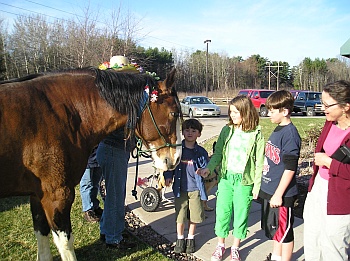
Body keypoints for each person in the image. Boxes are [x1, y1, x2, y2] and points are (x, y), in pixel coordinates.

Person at [198, 95, 265, 261]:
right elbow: (218, 153)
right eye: (231, 112)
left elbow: (259, 162)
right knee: (222, 213)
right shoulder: (227, 130)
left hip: (244, 182)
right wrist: (209, 168)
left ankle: (235, 247)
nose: (232, 115)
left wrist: (257, 186)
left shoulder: (256, 133)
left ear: (245, 112)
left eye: (235, 112)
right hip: (226, 179)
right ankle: (220, 245)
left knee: (241, 215)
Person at [303, 80, 350, 260]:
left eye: (327, 105)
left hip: (340, 198)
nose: (323, 108)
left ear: (345, 106)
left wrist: (330, 163)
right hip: (319, 189)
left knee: (333, 247)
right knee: (313, 239)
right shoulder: (330, 123)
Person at [259, 90, 301, 261]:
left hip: (282, 194)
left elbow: (290, 167)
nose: (268, 113)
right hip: (270, 189)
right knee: (276, 228)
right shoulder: (278, 129)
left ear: (285, 111)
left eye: (272, 111)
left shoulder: (290, 134)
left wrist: (278, 194)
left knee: (285, 231)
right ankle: (276, 257)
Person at [164, 119, 209, 254]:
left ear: (199, 134)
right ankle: (180, 238)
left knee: (194, 216)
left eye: (193, 131)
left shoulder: (201, 152)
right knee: (180, 216)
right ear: (182, 132)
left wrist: (203, 172)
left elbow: (206, 168)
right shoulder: (177, 150)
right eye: (187, 130)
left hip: (195, 189)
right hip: (180, 189)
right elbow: (170, 164)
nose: (190, 133)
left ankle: (190, 238)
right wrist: (168, 176)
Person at [96, 127, 135, 249]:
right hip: (114, 151)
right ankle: (113, 238)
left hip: (115, 150)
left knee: (114, 195)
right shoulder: (122, 108)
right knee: (115, 197)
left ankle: (107, 230)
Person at [79, 147, 103, 223]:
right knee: (86, 184)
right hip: (86, 160)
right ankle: (88, 210)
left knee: (95, 184)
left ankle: (95, 207)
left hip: (98, 159)